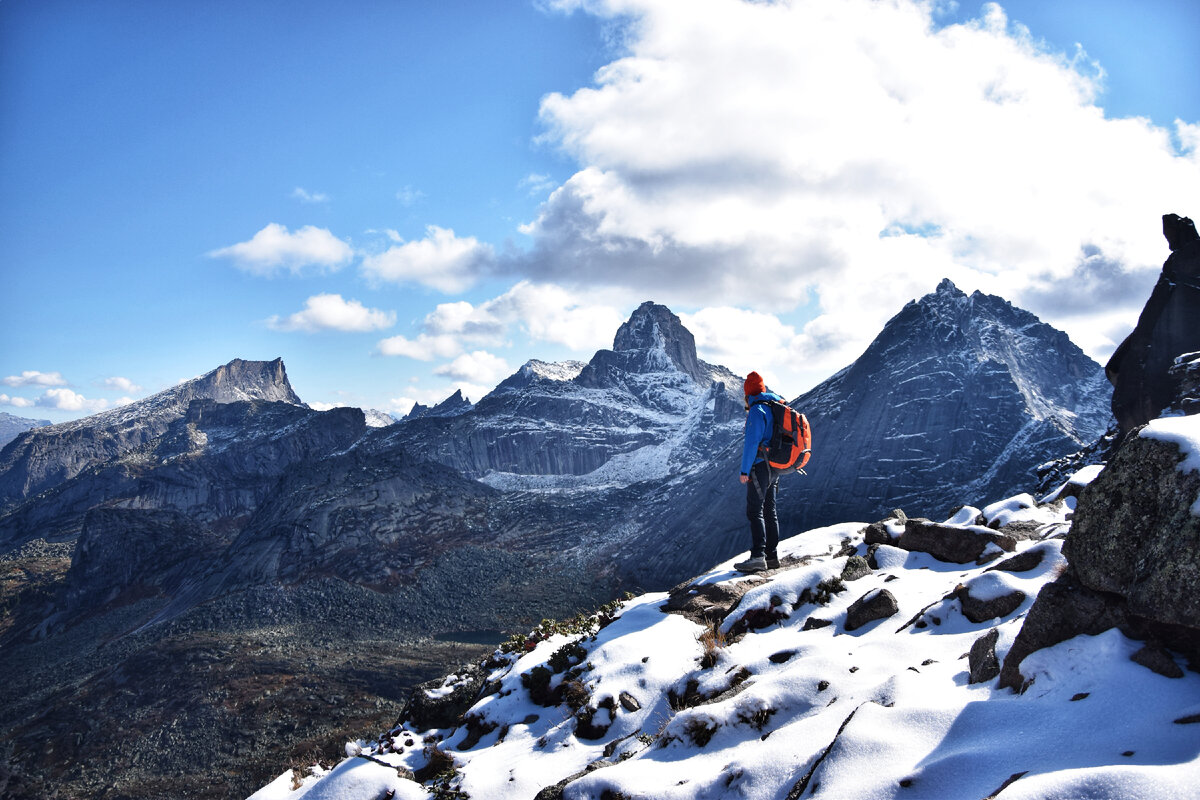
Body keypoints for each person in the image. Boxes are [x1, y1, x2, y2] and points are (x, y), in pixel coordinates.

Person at [735, 371, 783, 573]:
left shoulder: (757, 410)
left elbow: (752, 443)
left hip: (760, 466)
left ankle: (757, 557)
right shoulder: (774, 406)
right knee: (769, 509)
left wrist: (745, 470)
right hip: (775, 466)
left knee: (755, 510)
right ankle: (771, 557)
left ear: (748, 394)